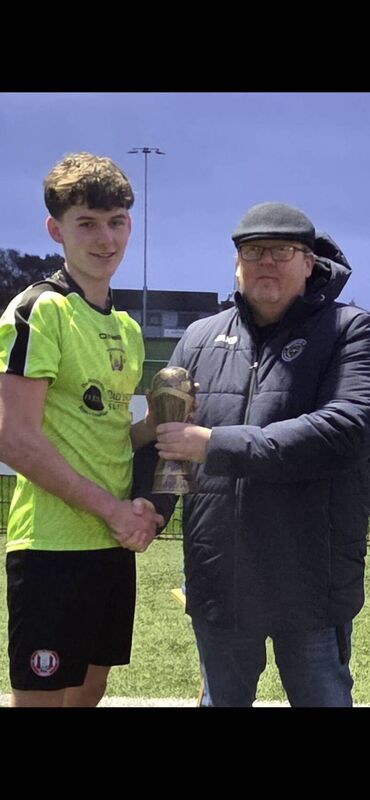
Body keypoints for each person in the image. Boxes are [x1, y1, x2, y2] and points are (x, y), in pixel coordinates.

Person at [155, 201, 370, 707]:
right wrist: (151, 512)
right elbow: (170, 443)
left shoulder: (350, 330)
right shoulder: (200, 337)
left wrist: (214, 444)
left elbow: (344, 429)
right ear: (236, 263)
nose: (266, 261)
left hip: (313, 576)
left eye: (281, 250)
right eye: (253, 251)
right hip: (220, 574)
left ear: (309, 261)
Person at [0, 151, 167, 708]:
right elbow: (13, 438)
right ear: (56, 229)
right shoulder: (38, 310)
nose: (105, 239)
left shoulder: (126, 327)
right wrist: (113, 509)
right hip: (51, 546)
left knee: (91, 689)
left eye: (116, 221)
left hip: (111, 543)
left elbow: (111, 433)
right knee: (46, 698)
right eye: (87, 223)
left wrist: (161, 426)